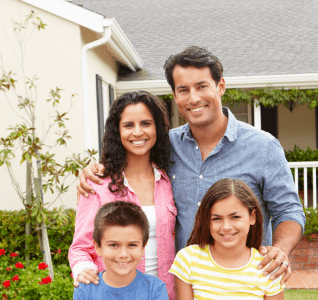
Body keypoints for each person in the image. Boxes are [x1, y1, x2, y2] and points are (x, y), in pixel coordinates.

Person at [77, 46, 305, 284]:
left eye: (202, 86)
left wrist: (280, 250)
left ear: (221, 86)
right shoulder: (165, 146)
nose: (193, 98)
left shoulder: (263, 147)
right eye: (183, 90)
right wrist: (95, 170)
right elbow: (131, 161)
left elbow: (289, 210)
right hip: (183, 286)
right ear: (175, 96)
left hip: (241, 285)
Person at [69, 91, 177, 299]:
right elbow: (81, 247)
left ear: (157, 128)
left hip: (164, 293)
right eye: (128, 125)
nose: (138, 132)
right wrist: (85, 273)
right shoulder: (98, 183)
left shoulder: (168, 180)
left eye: (146, 123)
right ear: (117, 131)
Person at [170, 178, 284, 299]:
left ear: (252, 216)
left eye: (235, 217)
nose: (226, 227)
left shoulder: (269, 268)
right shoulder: (188, 260)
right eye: (216, 218)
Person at [74, 201, 169, 300]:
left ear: (143, 247)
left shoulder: (155, 288)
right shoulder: (85, 290)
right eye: (113, 245)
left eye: (132, 245)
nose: (123, 254)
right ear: (98, 247)